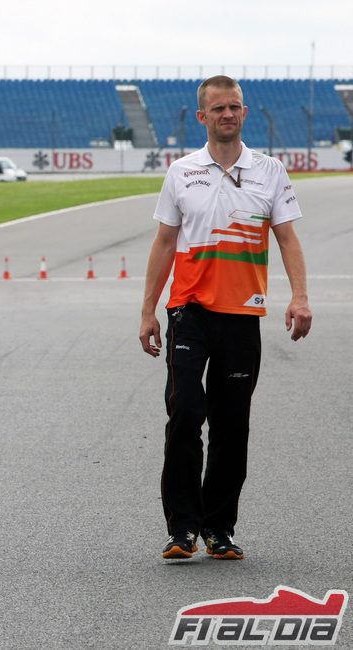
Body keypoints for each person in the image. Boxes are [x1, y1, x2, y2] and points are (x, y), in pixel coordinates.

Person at [139, 75, 312, 561]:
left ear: (244, 112)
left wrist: (300, 297)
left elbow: (288, 239)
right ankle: (182, 529)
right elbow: (164, 243)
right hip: (188, 310)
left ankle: (218, 528)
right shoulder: (181, 172)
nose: (227, 114)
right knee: (186, 411)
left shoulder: (270, 171)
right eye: (218, 108)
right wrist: (148, 310)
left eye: (235, 106)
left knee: (232, 425)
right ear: (203, 116)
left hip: (242, 315)